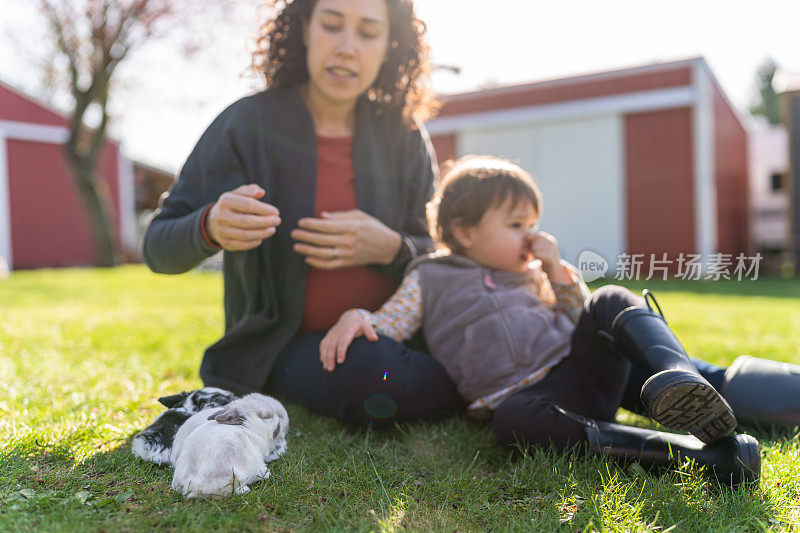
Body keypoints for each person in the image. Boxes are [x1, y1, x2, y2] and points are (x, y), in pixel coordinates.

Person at [321, 155, 761, 485]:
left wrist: (557, 272)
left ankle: (679, 379)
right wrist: (357, 316)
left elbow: (581, 315)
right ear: (464, 231)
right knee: (514, 424)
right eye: (516, 224)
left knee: (608, 298)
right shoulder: (429, 277)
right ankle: (706, 459)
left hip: (582, 368)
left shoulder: (535, 275)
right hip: (534, 401)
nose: (532, 237)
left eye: (534, 224)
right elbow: (392, 322)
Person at [143, 0, 463, 426]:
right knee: (378, 376)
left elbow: (442, 257)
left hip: (393, 331)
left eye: (368, 32)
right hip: (291, 351)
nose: (347, 47)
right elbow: (158, 247)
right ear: (304, 29)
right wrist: (210, 225)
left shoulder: (403, 136)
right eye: (332, 25)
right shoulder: (245, 124)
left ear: (391, 45)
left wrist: (392, 248)